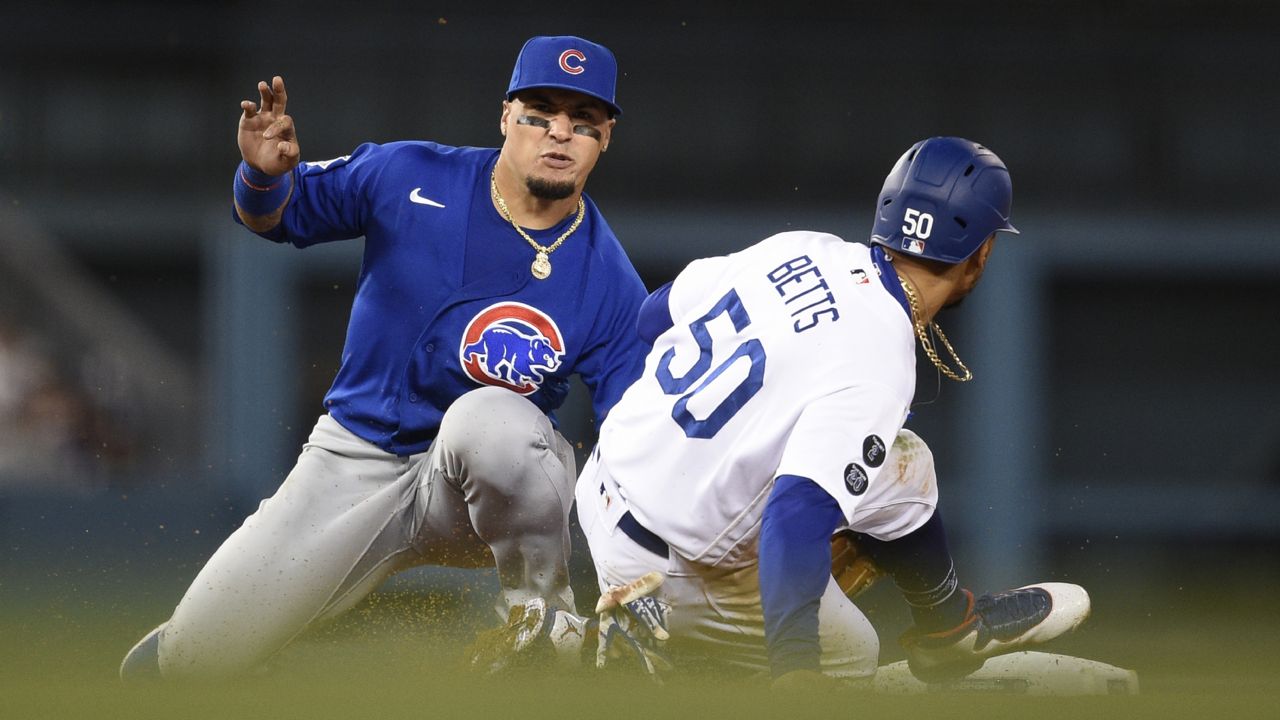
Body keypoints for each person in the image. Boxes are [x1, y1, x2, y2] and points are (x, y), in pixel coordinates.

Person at [120, 35, 648, 678]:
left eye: (583, 124)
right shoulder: (411, 174)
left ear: (606, 138)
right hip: (353, 460)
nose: (559, 134)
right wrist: (262, 175)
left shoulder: (611, 281)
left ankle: (543, 621)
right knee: (188, 667)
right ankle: (241, 628)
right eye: (540, 114)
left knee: (494, 419)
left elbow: (635, 439)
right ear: (506, 115)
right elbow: (281, 215)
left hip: (477, 492)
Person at [575, 137, 1090, 684]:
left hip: (604, 482)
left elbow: (652, 317)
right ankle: (614, 646)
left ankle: (948, 626)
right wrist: (796, 671)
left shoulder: (801, 247)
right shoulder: (880, 362)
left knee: (905, 464)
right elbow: (793, 521)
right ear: (982, 252)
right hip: (675, 571)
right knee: (852, 654)